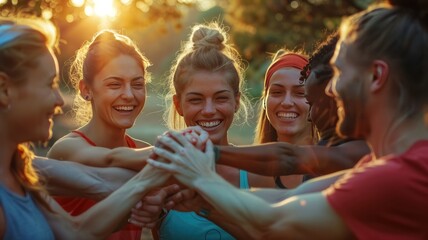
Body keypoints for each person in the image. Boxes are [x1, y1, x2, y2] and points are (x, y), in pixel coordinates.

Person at [148, 0, 428, 238]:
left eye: (340, 74)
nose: (331, 90)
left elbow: (278, 220)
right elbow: (284, 200)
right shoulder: (384, 166)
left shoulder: (398, 177)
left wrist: (201, 176)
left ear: (377, 76)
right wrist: (203, 198)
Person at [0, 16, 168, 239]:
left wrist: (155, 191)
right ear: (4, 90)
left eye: (137, 84)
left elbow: (78, 229)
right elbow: (104, 175)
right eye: (49, 84)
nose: (59, 100)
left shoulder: (22, 169)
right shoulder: (61, 153)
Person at [154, 22, 274, 240]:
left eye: (221, 98)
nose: (209, 111)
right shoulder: (162, 179)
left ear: (236, 101)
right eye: (196, 99)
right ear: (178, 105)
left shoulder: (259, 176)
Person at [45, 29, 160, 239]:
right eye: (114, 84)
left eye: (138, 84)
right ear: (86, 89)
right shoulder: (68, 149)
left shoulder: (142, 150)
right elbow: (108, 160)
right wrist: (176, 149)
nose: (129, 95)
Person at [254, 50, 313, 188]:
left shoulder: (333, 167)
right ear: (265, 100)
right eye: (277, 92)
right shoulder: (249, 171)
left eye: (300, 93)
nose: (287, 102)